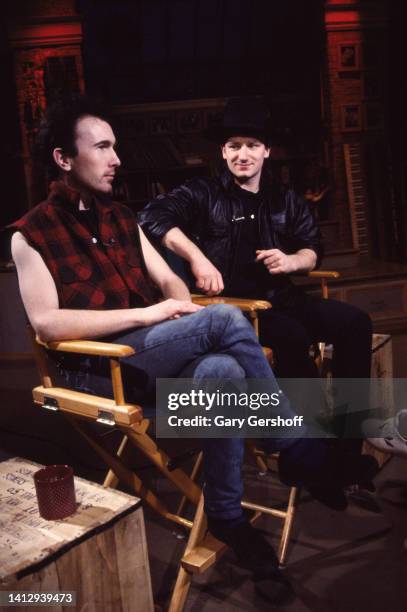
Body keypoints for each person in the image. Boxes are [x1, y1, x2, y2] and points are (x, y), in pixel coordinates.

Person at [10, 96, 376, 596]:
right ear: (64, 158)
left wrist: (177, 303)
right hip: (97, 370)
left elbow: (171, 284)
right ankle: (286, 440)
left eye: (115, 146)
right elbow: (48, 324)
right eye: (102, 146)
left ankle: (226, 515)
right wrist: (152, 312)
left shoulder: (122, 217)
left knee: (221, 371)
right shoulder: (31, 233)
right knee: (224, 318)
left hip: (151, 352)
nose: (116, 158)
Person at [139, 96, 374, 444]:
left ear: (266, 151)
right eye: (234, 146)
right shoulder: (202, 193)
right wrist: (196, 257)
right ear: (222, 151)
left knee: (356, 323)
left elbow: (313, 248)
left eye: (252, 145)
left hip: (283, 298)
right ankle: (310, 448)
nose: (242, 154)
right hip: (234, 310)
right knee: (293, 337)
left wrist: (292, 261)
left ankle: (347, 442)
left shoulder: (285, 198)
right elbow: (151, 216)